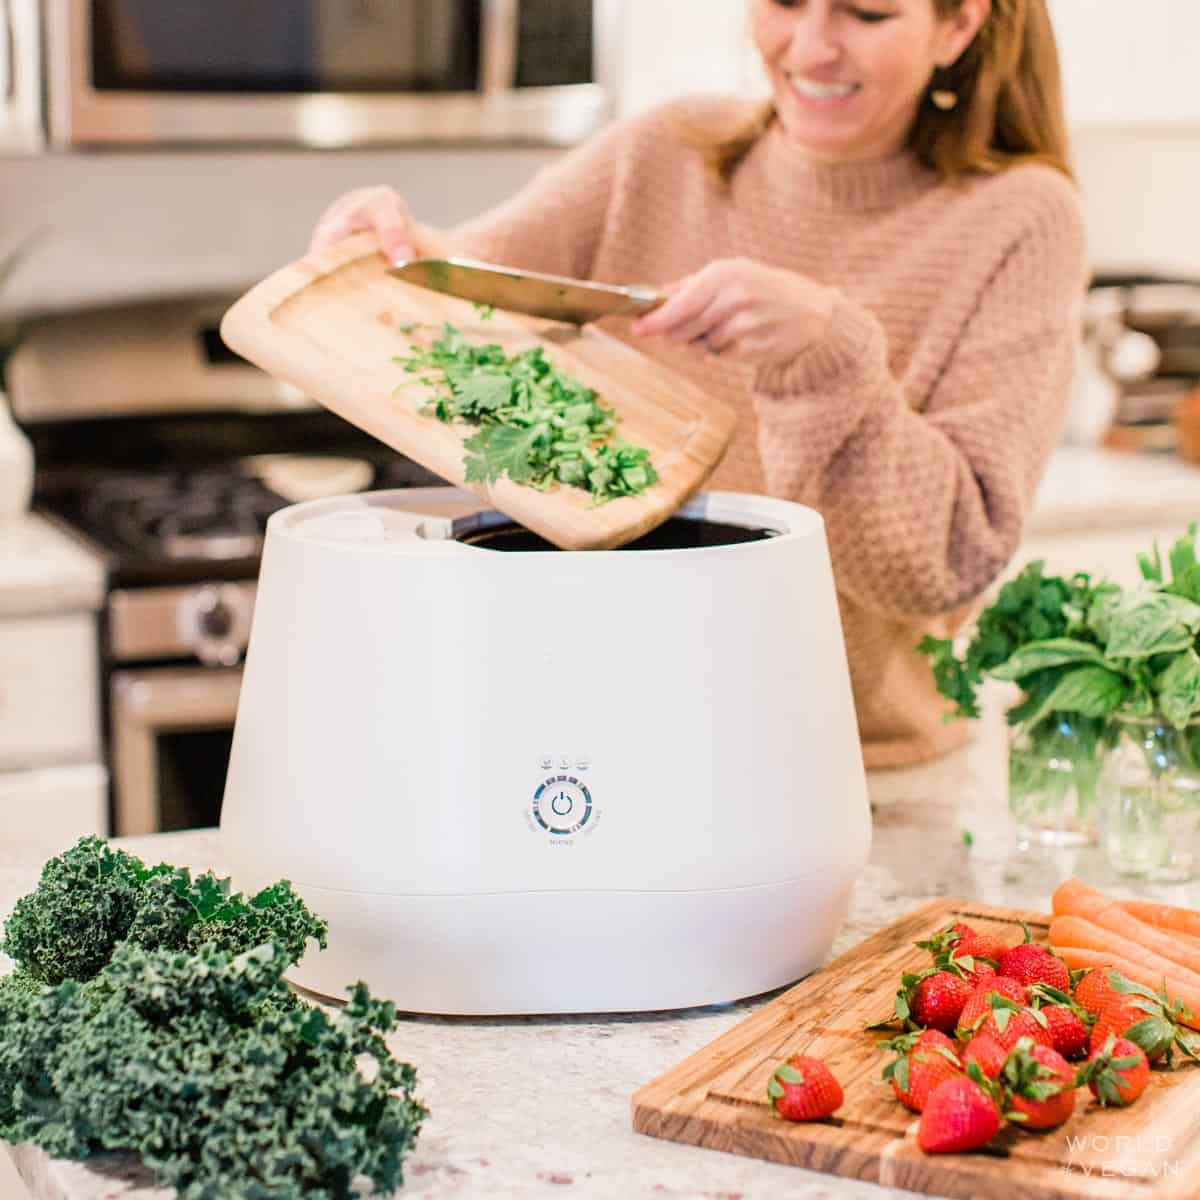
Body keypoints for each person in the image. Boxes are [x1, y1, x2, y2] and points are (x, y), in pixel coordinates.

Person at [309, 0, 1088, 769]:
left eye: (866, 13)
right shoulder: (664, 152)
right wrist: (388, 253)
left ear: (958, 26)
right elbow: (470, 300)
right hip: (588, 738)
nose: (813, 47)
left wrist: (828, 355)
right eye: (786, 2)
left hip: (849, 772)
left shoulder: (1022, 220)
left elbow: (945, 563)